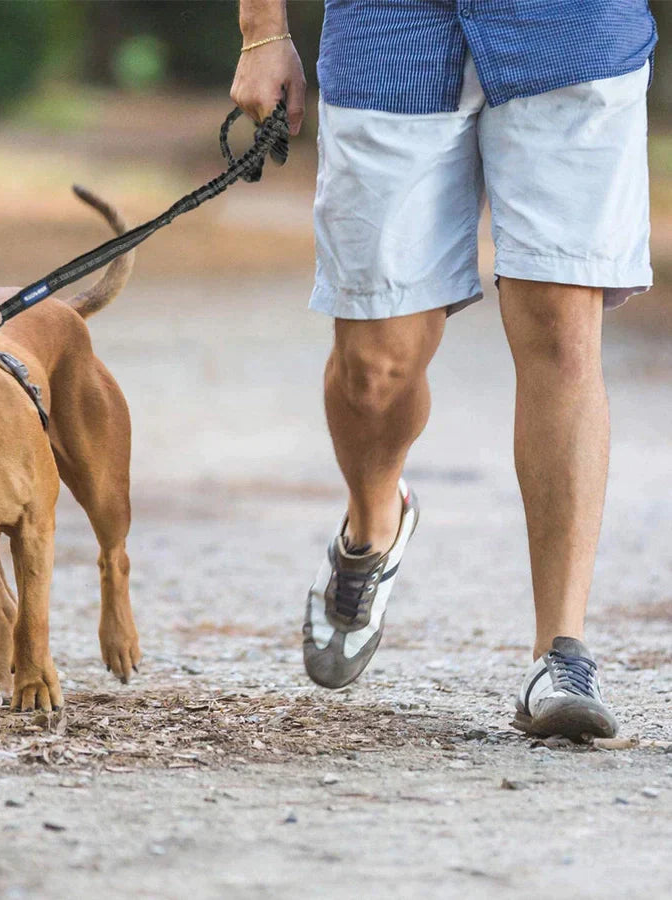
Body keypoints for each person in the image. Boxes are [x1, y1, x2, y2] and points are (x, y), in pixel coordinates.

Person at [230, 0, 657, 740]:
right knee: (374, 369)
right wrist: (263, 31)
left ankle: (561, 653)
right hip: (389, 27)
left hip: (576, 29)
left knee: (563, 331)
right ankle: (372, 527)